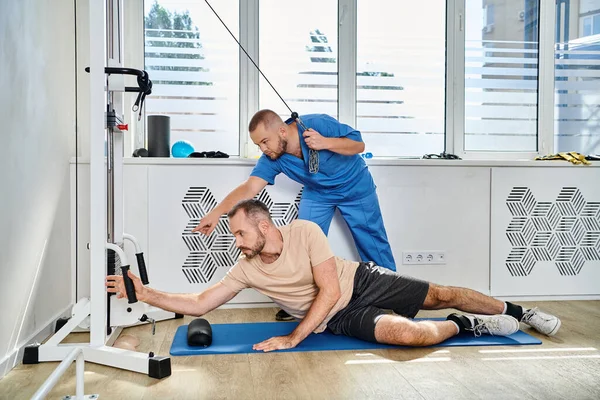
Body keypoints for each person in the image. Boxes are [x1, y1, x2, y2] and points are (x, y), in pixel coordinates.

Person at [109, 200, 561, 352]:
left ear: (264, 226)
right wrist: (146, 292)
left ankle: (522, 311)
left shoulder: (304, 231)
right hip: (339, 319)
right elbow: (199, 304)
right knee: (411, 337)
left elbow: (328, 289)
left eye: (242, 232)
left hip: (358, 282)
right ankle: (468, 326)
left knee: (439, 293)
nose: (237, 242)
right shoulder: (246, 267)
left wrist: (293, 337)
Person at [192, 110, 396, 321]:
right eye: (258, 145)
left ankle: (394, 295)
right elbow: (250, 187)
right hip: (318, 193)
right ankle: (304, 302)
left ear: (282, 130)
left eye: (265, 141)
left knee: (372, 241)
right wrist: (216, 213)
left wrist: (326, 142)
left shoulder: (316, 123)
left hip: (355, 187)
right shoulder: (273, 157)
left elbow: (358, 145)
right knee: (301, 244)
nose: (263, 149)